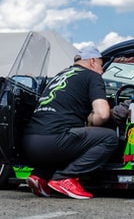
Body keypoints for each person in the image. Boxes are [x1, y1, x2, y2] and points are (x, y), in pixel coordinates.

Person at [22, 45, 119, 199]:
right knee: (109, 137)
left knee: (73, 136)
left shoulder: (60, 75)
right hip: (54, 142)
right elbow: (102, 114)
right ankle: (65, 178)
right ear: (93, 61)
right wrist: (93, 119)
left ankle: (40, 176)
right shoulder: (92, 76)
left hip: (29, 144)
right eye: (101, 66)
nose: (102, 71)